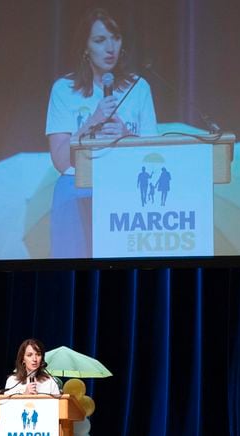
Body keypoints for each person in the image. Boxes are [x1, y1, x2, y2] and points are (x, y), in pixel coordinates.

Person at [46, 8, 158, 258]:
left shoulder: (139, 88)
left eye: (115, 38)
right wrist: (92, 122)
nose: (110, 48)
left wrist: (126, 135)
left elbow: (154, 155)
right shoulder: (64, 90)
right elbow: (61, 161)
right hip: (78, 187)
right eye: (100, 40)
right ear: (85, 47)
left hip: (126, 185)